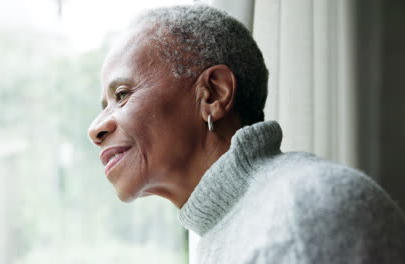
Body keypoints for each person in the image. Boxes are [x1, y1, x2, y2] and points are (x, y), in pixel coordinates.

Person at [88, 4, 405, 264]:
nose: (95, 128)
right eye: (105, 104)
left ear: (213, 94)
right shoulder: (225, 231)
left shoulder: (304, 212)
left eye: (122, 94)